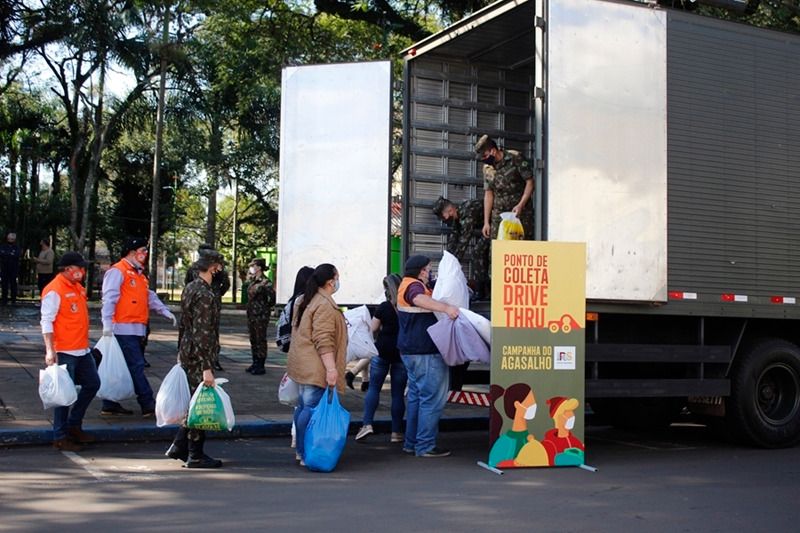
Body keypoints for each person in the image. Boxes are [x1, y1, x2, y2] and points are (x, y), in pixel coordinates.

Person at [99, 237, 176, 418]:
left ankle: (109, 403)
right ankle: (147, 403)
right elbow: (109, 298)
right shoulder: (118, 271)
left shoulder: (139, 274)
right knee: (135, 365)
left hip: (134, 327)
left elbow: (148, 296)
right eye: (143, 250)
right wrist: (107, 324)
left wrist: (164, 311)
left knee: (126, 365)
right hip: (122, 327)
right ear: (132, 252)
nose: (145, 254)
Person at [165, 254, 225, 468]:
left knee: (195, 402)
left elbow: (185, 324)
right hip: (200, 355)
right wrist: (206, 367)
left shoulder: (190, 287)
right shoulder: (205, 294)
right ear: (214, 268)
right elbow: (202, 332)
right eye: (220, 268)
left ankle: (180, 446)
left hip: (189, 351)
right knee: (201, 405)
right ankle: (194, 454)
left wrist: (181, 348)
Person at [397, 255, 459, 458]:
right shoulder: (413, 287)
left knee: (416, 398)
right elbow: (418, 298)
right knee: (432, 400)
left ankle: (411, 443)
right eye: (429, 269)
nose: (430, 273)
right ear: (421, 271)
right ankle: (425, 445)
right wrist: (446, 308)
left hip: (411, 353)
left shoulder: (407, 284)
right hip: (426, 353)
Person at [286, 264, 347, 467]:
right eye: (337, 277)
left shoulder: (305, 299)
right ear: (331, 281)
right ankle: (306, 452)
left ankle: (300, 451)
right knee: (310, 408)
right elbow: (324, 340)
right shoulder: (324, 304)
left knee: (303, 407)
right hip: (316, 365)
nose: (339, 281)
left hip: (302, 363)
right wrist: (331, 369)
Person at [40, 251, 100, 451]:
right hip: (64, 349)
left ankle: (74, 425)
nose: (82, 271)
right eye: (79, 268)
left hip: (81, 349)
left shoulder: (77, 288)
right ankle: (60, 436)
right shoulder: (54, 290)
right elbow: (46, 321)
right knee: (63, 395)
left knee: (92, 384)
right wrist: (50, 350)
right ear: (67, 270)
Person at [355, 274, 407, 443]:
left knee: (374, 388)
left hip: (382, 351)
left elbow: (373, 328)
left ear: (387, 290)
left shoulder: (384, 307)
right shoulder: (408, 307)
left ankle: (367, 424)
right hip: (401, 354)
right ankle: (396, 432)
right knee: (398, 395)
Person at [475, 135, 535, 242]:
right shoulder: (487, 168)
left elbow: (530, 183)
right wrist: (486, 222)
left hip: (520, 213)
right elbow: (489, 194)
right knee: (496, 250)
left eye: (485, 156)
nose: (483, 159)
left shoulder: (515, 158)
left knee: (521, 249)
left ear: (493, 151)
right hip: (500, 215)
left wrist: (521, 205)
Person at [432, 195, 490, 300]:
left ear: (450, 211)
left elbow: (465, 239)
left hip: (496, 224)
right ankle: (481, 291)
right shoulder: (458, 218)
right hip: (489, 228)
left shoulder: (468, 212)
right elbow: (453, 240)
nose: (443, 220)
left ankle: (483, 291)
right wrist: (445, 263)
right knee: (478, 251)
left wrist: (455, 262)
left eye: (443, 217)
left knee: (478, 251)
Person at [185, 243, 230, 371]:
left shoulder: (194, 270)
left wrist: (216, 293)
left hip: (210, 298)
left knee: (207, 330)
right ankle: (210, 360)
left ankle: (211, 359)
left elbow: (226, 283)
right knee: (208, 331)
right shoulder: (197, 270)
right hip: (207, 298)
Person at [245, 258, 275, 375]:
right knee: (253, 338)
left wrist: (266, 307)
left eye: (253, 266)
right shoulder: (253, 281)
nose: (251, 268)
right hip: (251, 314)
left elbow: (272, 296)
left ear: (259, 267)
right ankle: (255, 362)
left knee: (260, 339)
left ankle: (261, 364)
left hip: (261, 315)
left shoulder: (265, 282)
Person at [542, 396, 585, 466]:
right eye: (566, 413)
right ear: (558, 417)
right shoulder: (548, 444)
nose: (571, 415)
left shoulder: (576, 441)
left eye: (571, 412)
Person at [0, 232, 21, 306]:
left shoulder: (16, 247)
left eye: (11, 239)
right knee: (4, 284)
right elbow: (1, 254)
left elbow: (17, 255)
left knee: (13, 284)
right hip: (4, 268)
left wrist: (8, 254)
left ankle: (13, 300)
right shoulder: (4, 246)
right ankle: (4, 300)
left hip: (13, 268)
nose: (10, 240)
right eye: (9, 239)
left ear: (14, 239)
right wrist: (10, 254)